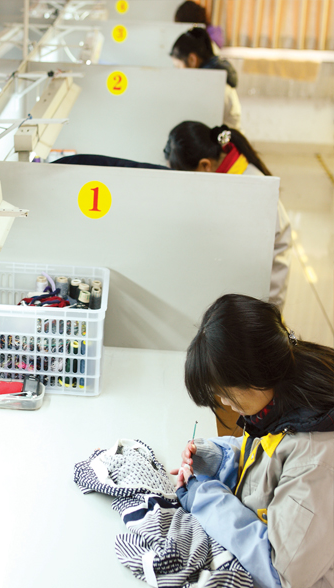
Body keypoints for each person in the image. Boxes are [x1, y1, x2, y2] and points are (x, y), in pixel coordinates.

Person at [170, 293, 334, 588]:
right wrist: (218, 458)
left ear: (256, 376)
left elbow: (280, 575)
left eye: (225, 392)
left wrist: (203, 497)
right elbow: (270, 458)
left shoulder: (315, 461)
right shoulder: (283, 393)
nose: (223, 402)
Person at [164, 121, 291, 309]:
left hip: (257, 305)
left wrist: (269, 315)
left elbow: (272, 263)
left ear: (205, 165)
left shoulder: (250, 192)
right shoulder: (230, 174)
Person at [170, 27, 240, 129]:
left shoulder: (212, 87)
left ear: (192, 60)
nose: (178, 73)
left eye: (178, 67)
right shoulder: (215, 78)